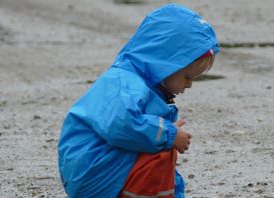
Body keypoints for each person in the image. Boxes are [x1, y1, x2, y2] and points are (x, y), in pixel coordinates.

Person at [58, 3, 219, 198]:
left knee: (160, 146)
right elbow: (122, 125)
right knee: (161, 150)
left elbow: (166, 172)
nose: (189, 85)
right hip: (93, 171)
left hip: (101, 166)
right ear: (168, 63)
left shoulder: (147, 86)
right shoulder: (126, 82)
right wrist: (169, 134)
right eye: (187, 77)